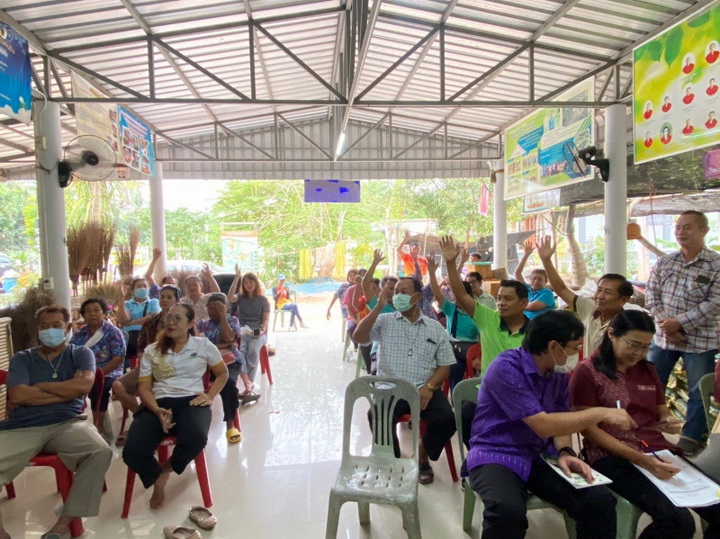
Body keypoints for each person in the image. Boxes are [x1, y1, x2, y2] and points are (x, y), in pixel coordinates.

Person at [467, 310, 635, 539]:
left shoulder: (557, 375)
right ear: (554, 346)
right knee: (507, 512)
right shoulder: (506, 367)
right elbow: (543, 425)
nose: (577, 354)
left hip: (540, 455)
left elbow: (560, 421)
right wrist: (599, 413)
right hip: (497, 452)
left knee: (598, 501)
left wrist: (565, 451)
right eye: (575, 347)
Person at [570, 310, 720, 538]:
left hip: (657, 451)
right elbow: (588, 429)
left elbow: (662, 413)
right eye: (633, 345)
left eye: (646, 347)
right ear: (611, 334)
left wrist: (668, 422)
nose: (639, 353)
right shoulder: (587, 371)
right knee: (677, 521)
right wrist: (643, 461)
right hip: (611, 456)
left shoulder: (647, 370)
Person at [0, 305, 112, 539]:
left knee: (100, 451)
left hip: (67, 422)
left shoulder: (80, 354)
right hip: (23, 426)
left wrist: (39, 387)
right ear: (38, 329)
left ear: (68, 327)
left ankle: (63, 524)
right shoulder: (22, 358)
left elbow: (84, 386)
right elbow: (18, 396)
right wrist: (66, 390)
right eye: (44, 326)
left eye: (56, 325)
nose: (49, 330)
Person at [122, 304, 229, 510]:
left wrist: (210, 395)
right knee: (132, 450)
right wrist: (156, 410)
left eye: (177, 318)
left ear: (190, 323)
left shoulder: (203, 345)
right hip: (158, 402)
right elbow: (144, 388)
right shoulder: (153, 350)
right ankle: (155, 477)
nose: (170, 322)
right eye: (168, 317)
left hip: (191, 401)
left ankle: (163, 473)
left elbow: (222, 373)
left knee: (196, 437)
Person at [353, 276, 456, 485]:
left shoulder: (434, 327)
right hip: (391, 388)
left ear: (417, 297)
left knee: (447, 419)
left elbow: (445, 364)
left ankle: (423, 453)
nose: (397, 296)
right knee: (377, 415)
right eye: (395, 292)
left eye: (403, 292)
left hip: (424, 388)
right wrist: (377, 307)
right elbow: (359, 337)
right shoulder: (385, 320)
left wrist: (430, 387)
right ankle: (393, 461)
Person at [646, 210, 720, 456]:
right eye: (678, 227)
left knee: (698, 390)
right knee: (650, 383)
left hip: (700, 341)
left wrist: (679, 323)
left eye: (687, 227)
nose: (680, 232)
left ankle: (690, 438)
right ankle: (646, 427)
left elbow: (715, 302)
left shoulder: (716, 264)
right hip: (664, 338)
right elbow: (652, 295)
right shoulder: (665, 262)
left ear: (704, 230)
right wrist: (666, 325)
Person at [441, 236, 530, 374]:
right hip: (488, 386)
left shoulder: (534, 331)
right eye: (499, 298)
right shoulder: (488, 318)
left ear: (524, 303)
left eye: (507, 299)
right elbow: (461, 295)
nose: (501, 303)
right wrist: (451, 263)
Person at [536, 236, 634, 355]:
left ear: (624, 299)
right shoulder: (590, 309)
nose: (600, 296)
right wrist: (546, 260)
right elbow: (561, 289)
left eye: (608, 292)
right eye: (599, 290)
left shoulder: (627, 325)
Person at [112, 284, 181, 447]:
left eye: (169, 297)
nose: (164, 300)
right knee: (117, 386)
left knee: (154, 390)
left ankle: (147, 426)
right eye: (162, 296)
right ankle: (144, 418)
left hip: (173, 369)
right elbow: (141, 347)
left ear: (177, 301)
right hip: (148, 366)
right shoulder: (150, 322)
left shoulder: (182, 322)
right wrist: (146, 365)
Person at [70, 297, 126, 436]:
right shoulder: (80, 334)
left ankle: (98, 426)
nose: (92, 314)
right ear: (83, 315)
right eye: (88, 311)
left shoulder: (113, 332)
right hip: (86, 371)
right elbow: (71, 355)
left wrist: (98, 373)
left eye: (96, 310)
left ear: (104, 313)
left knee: (101, 387)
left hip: (109, 370)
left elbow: (118, 357)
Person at [196, 293, 247, 443]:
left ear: (225, 308)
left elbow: (229, 337)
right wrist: (225, 345)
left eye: (219, 307)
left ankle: (230, 424)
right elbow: (198, 345)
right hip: (206, 363)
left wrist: (223, 316)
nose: (214, 311)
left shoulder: (232, 320)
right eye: (211, 307)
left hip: (230, 361)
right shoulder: (202, 324)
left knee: (228, 383)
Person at [427, 252, 478, 391]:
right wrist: (432, 273)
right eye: (455, 295)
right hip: (453, 350)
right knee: (454, 370)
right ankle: (458, 398)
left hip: (473, 350)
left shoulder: (477, 311)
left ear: (468, 295)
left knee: (479, 370)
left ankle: (474, 396)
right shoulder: (451, 309)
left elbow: (484, 336)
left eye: (460, 295)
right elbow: (437, 293)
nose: (456, 298)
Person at [228, 268, 271, 402]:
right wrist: (237, 277)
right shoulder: (241, 297)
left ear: (256, 283)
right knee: (239, 351)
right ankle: (248, 384)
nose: (249, 285)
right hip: (242, 330)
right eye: (246, 282)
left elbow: (265, 320)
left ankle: (249, 384)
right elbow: (230, 297)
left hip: (258, 331)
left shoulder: (263, 300)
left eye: (251, 282)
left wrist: (261, 330)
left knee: (253, 350)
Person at [117, 277, 162, 367]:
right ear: (132, 291)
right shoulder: (127, 304)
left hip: (147, 335)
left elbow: (151, 318)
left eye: (145, 286)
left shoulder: (154, 302)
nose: (142, 288)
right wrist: (121, 298)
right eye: (139, 286)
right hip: (129, 337)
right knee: (121, 344)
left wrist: (130, 323)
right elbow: (122, 320)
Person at [514, 240, 556, 319]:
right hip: (524, 322)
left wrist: (515, 305)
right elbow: (517, 273)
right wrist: (526, 255)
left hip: (539, 324)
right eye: (534, 279)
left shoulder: (547, 293)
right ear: (530, 279)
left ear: (545, 281)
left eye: (540, 279)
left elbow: (532, 307)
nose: (536, 281)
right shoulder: (527, 289)